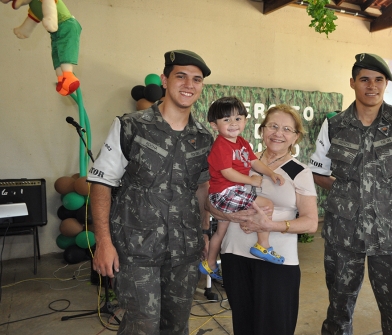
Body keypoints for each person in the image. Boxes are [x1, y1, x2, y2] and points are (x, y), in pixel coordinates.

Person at [308, 53, 392, 335]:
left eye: (379, 80)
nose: (372, 86)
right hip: (344, 232)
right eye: (365, 79)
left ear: (386, 84)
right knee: (338, 306)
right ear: (352, 83)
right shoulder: (334, 125)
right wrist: (347, 193)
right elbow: (318, 172)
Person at [87, 49, 213, 335]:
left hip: (184, 251)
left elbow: (201, 188)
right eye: (180, 76)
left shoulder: (203, 137)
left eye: (196, 79)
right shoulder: (130, 126)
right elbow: (101, 184)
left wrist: (204, 231)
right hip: (135, 250)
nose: (188, 85)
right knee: (141, 325)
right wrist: (103, 243)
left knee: (177, 325)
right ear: (164, 80)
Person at [208, 104, 319, 335]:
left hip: (276, 263)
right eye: (273, 126)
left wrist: (271, 225)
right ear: (261, 130)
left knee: (274, 328)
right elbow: (211, 200)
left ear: (296, 137)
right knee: (244, 326)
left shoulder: (300, 171)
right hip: (235, 256)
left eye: (287, 129)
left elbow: (310, 223)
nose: (279, 133)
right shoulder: (239, 158)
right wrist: (229, 214)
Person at [199, 97, 286, 281]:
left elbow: (254, 162)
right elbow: (227, 173)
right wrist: (251, 181)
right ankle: (263, 245)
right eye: (226, 120)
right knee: (266, 204)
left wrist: (270, 173)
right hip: (224, 193)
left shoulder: (242, 143)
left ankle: (210, 263)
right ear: (214, 125)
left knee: (220, 231)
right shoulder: (221, 145)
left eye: (238, 119)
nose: (233, 124)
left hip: (229, 193)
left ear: (246, 121)